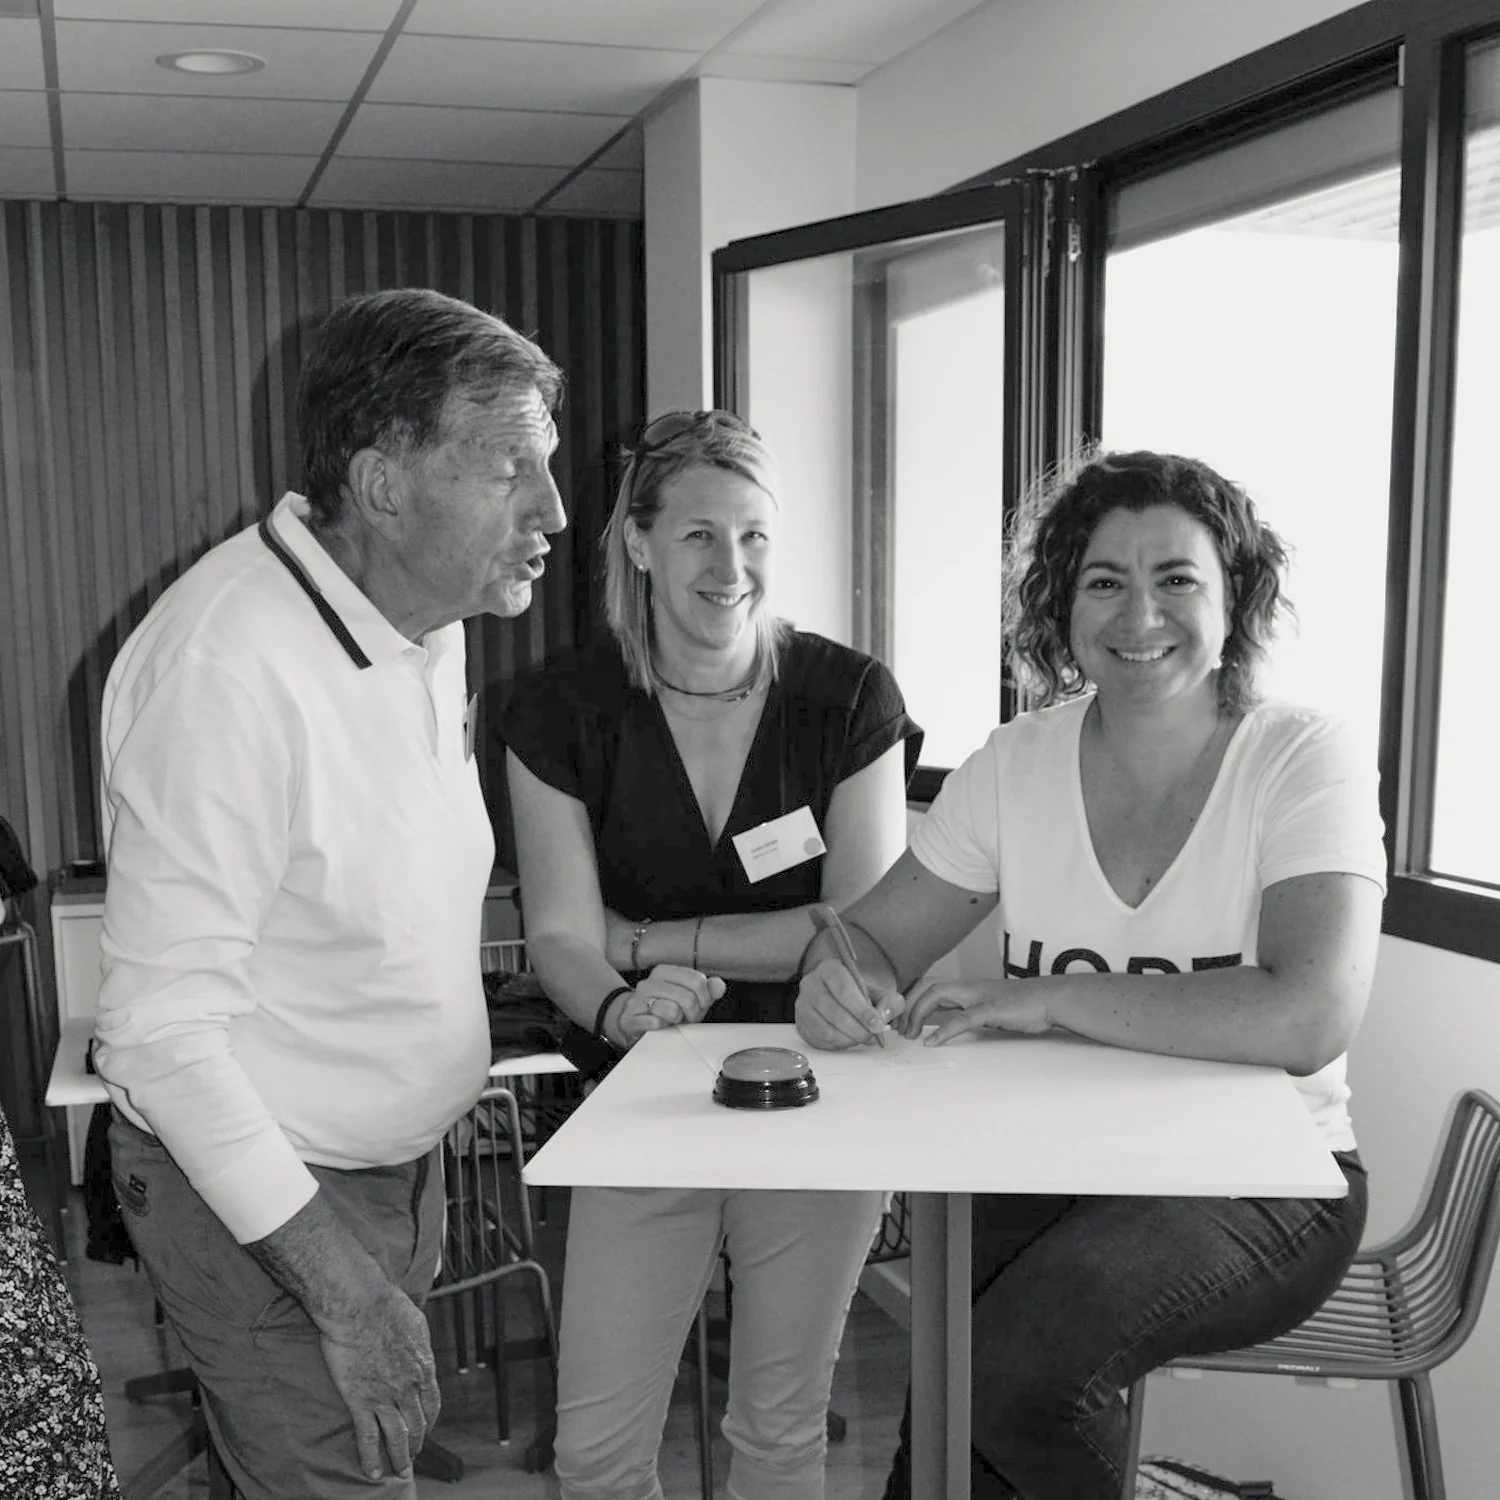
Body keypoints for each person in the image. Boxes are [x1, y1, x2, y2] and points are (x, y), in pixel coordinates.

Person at [796, 449, 1386, 1500]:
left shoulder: (1303, 758)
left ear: (1236, 594)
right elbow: (870, 941)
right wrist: (837, 980)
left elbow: (1306, 1015)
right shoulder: (1017, 763)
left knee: (1010, 1382)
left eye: (1177, 579)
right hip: (1057, 1156)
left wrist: (1054, 997)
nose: (1138, 612)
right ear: (1060, 606)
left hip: (1265, 1176)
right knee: (944, 1413)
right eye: (1104, 580)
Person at [92, 287, 566, 1500]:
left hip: (394, 1180)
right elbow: (156, 1037)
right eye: (511, 465)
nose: (553, 509)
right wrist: (348, 1293)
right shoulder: (225, 668)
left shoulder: (423, 616)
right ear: (385, 481)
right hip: (268, 1208)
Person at [499, 408, 923, 1500]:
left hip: (819, 1091)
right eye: (698, 535)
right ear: (639, 543)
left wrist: (648, 943)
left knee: (779, 1432)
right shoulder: (558, 710)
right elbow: (557, 931)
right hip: (643, 1092)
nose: (731, 567)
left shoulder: (849, 700)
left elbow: (857, 927)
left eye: (755, 535)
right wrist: (617, 1007)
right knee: (595, 1455)